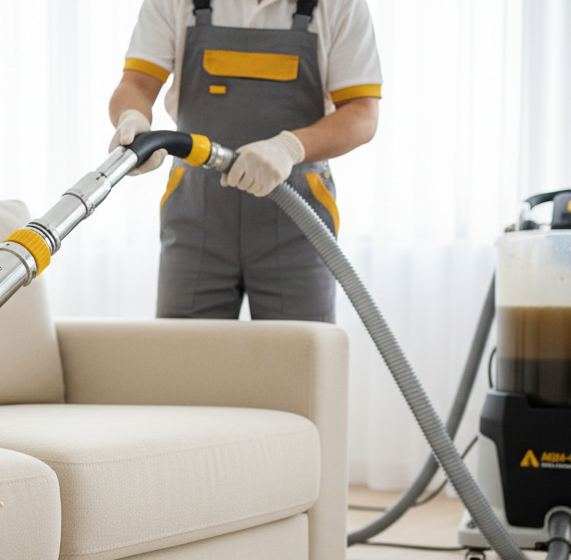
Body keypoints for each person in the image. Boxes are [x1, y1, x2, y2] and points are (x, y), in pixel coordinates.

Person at [108, 0, 381, 323]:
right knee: (185, 361)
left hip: (297, 222)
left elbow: (362, 114)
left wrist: (290, 147)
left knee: (298, 361)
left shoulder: (340, 5)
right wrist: (132, 118)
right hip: (196, 218)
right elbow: (137, 83)